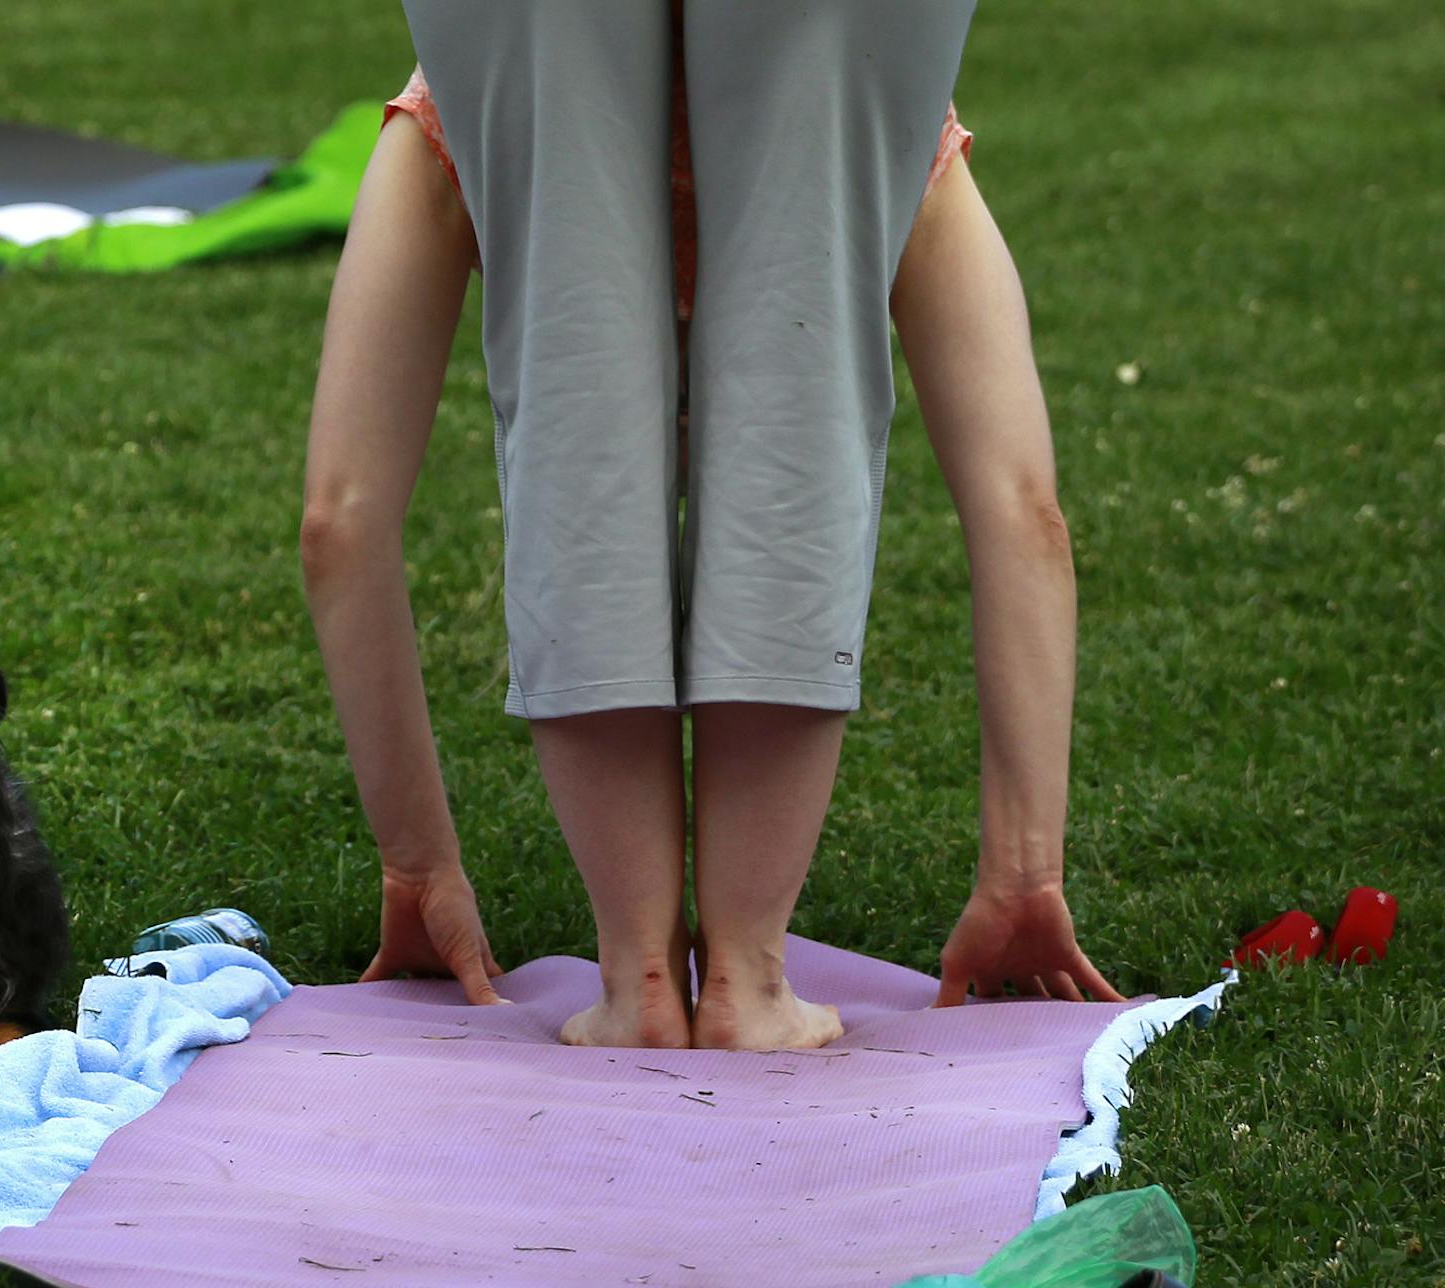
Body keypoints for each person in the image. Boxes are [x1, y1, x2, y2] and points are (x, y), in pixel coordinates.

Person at [300, 2, 1120, 1050]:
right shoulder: (896, 136)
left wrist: (418, 863)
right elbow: (1022, 509)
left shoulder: (448, 124)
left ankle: (638, 977)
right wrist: (1021, 870)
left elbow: (342, 520)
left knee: (579, 429)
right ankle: (748, 978)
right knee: (796, 426)